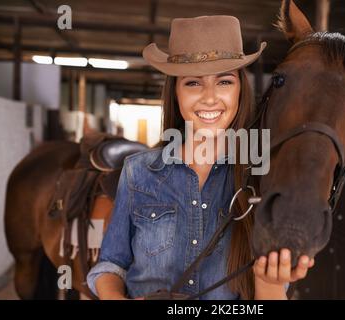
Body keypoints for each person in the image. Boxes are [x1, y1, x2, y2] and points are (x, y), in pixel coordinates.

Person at [87, 15, 314, 300]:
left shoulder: (263, 178)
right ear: (176, 93)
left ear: (240, 90)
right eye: (193, 83)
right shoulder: (138, 172)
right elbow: (110, 265)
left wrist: (269, 282)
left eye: (224, 82)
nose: (209, 98)